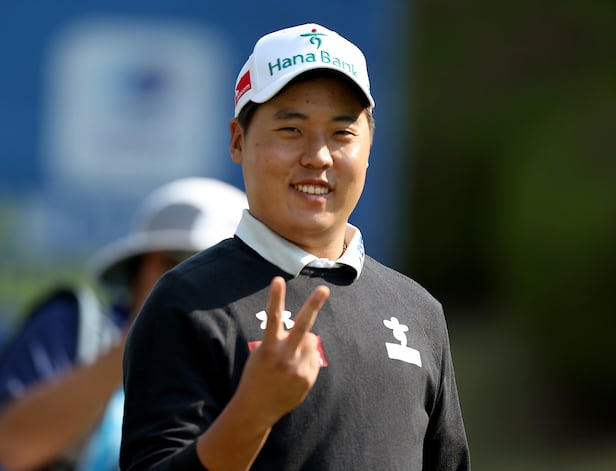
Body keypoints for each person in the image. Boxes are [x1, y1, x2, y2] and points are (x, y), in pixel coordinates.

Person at [120, 23, 470, 471]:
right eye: (291, 129)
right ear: (238, 140)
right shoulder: (186, 303)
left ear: (369, 148)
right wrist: (253, 413)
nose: (318, 156)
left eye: (342, 133)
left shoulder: (418, 312)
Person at [0, 177, 248, 471]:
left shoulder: (252, 361)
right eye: (202, 267)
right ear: (151, 265)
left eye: (234, 276)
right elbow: (11, 448)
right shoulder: (71, 327)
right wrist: (140, 339)